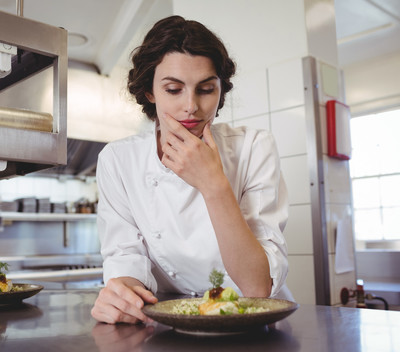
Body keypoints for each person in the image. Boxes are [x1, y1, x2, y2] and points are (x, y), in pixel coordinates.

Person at [91, 15, 292, 324]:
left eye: (206, 89)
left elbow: (257, 287)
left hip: (250, 323)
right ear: (149, 91)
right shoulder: (118, 160)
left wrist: (214, 185)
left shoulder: (254, 148)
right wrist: (122, 294)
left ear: (220, 90)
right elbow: (125, 258)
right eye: (173, 89)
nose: (191, 106)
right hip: (167, 322)